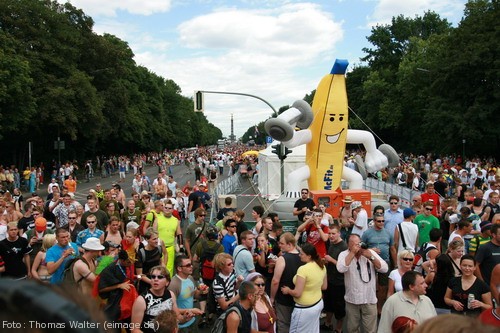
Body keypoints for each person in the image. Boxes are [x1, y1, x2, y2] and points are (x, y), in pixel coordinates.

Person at [337, 234, 388, 333]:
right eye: (354, 245)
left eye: (358, 244)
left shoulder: (370, 252)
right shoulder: (343, 254)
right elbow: (341, 268)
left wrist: (371, 257)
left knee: (371, 330)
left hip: (369, 298)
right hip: (352, 300)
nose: (358, 247)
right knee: (352, 329)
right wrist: (352, 253)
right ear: (348, 245)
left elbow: (384, 268)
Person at [280, 242, 327, 333]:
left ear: (309, 256)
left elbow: (297, 293)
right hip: (317, 304)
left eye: (301, 254)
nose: (299, 255)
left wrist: (288, 290)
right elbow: (324, 287)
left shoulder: (303, 269)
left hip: (304, 309)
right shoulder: (322, 266)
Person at [130, 265, 183, 333]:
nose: (155, 279)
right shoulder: (141, 300)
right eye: (153, 277)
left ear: (167, 282)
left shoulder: (171, 294)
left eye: (160, 277)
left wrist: (186, 317)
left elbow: (177, 317)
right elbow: (134, 330)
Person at [270, 232, 304, 333]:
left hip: (284, 299)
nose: (279, 245)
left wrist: (272, 298)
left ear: (289, 244)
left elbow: (275, 281)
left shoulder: (282, 259)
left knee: (283, 324)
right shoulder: (303, 258)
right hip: (299, 299)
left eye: (282, 243)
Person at [362, 212, 395, 313]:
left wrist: (396, 264)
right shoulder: (367, 233)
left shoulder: (388, 233)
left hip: (385, 261)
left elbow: (392, 248)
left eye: (383, 221)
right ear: (374, 221)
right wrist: (372, 249)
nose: (381, 223)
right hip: (370, 262)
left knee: (383, 286)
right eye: (379, 221)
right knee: (368, 284)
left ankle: (379, 307)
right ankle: (368, 305)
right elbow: (362, 248)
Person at [168, 255, 206, 332]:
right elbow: (171, 309)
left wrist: (201, 292)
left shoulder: (190, 278)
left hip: (192, 320)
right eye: (188, 265)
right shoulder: (173, 284)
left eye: (191, 264)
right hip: (180, 326)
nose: (191, 266)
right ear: (179, 268)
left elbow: (195, 295)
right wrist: (192, 310)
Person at [99, 249, 137, 323]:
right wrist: (118, 286)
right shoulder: (109, 269)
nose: (131, 264)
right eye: (129, 262)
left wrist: (136, 276)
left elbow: (125, 276)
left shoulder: (125, 266)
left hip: (126, 300)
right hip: (114, 304)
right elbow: (101, 289)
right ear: (122, 260)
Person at [322, 224, 347, 333]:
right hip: (329, 280)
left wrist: (331, 260)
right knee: (328, 304)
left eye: (333, 233)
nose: (331, 236)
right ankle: (328, 323)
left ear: (339, 233)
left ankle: (339, 329)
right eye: (329, 233)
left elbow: (344, 266)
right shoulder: (332, 244)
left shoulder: (344, 247)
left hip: (339, 282)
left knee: (339, 307)